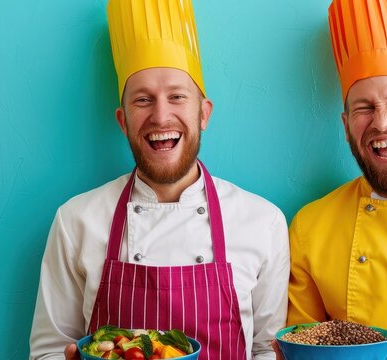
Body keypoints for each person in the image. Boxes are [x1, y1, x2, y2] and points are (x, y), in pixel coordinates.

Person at [29, 0, 289, 359]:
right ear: (123, 121)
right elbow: (48, 351)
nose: (160, 115)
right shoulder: (76, 220)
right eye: (143, 100)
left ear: (204, 114)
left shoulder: (263, 222)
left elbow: (268, 350)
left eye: (177, 97)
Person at [274, 0, 387, 358]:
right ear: (346, 127)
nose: (382, 122)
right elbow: (302, 347)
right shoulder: (311, 227)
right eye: (364, 108)